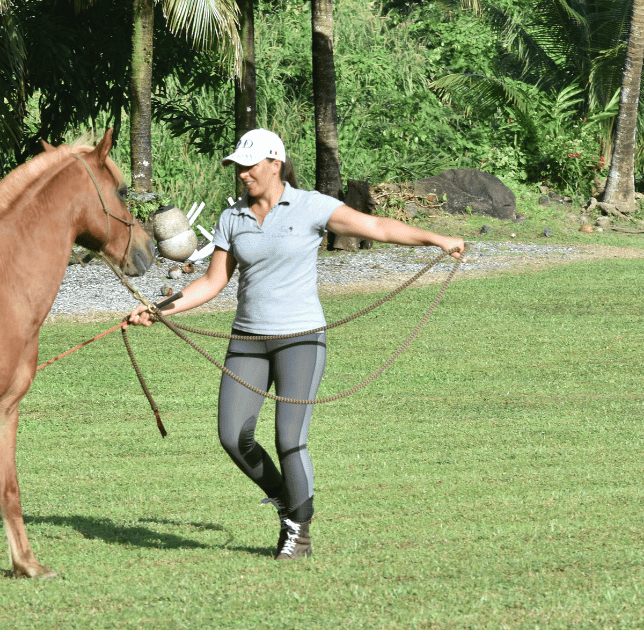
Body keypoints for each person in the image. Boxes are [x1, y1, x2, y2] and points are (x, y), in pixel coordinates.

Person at [126, 128, 465, 560]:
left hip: (300, 340)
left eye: (249, 166)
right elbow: (212, 283)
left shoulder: (310, 207)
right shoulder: (233, 218)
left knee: (289, 437)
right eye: (238, 167)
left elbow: (376, 226)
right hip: (248, 340)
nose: (243, 174)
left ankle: (297, 532)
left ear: (274, 163)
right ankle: (291, 502)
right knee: (233, 437)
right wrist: (159, 309)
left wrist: (437, 239)